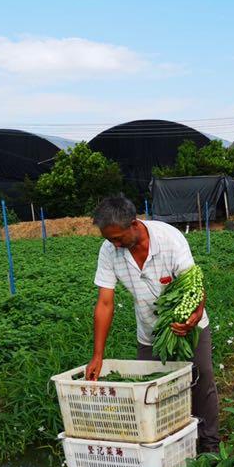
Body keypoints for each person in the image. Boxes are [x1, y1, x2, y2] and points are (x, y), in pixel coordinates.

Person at [85, 194, 219, 453]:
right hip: (149, 332)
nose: (114, 244)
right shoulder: (110, 251)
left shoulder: (169, 239)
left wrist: (195, 313)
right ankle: (171, 445)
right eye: (108, 239)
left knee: (201, 380)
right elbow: (104, 303)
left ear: (134, 224)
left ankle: (210, 444)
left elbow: (194, 281)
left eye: (117, 237)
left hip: (190, 327)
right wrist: (98, 355)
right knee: (151, 389)